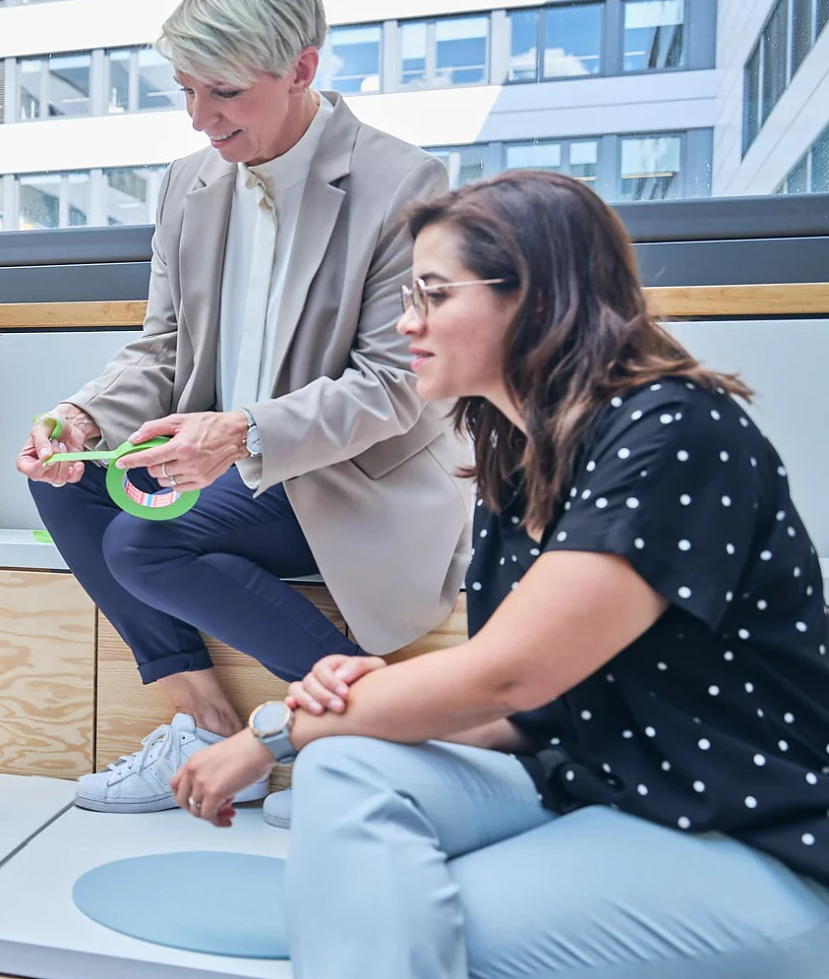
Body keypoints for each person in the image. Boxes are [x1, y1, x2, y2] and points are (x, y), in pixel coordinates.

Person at [174, 170, 829, 976]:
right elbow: (526, 714)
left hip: (754, 831)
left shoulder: (676, 432)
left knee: (409, 926)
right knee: (347, 774)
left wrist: (276, 729)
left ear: (542, 297)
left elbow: (509, 676)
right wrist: (349, 708)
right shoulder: (514, 459)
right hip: (600, 783)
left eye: (434, 295)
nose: (406, 322)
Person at [16, 0, 470, 815]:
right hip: (225, 472)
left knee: (146, 543)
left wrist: (243, 433)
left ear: (303, 67)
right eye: (186, 91)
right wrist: (78, 417)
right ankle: (210, 727)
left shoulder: (405, 183)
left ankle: (371, 726)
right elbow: (162, 348)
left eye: (223, 92)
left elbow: (395, 384)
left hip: (345, 478)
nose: (200, 120)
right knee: (67, 488)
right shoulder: (190, 185)